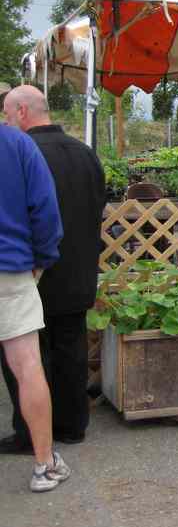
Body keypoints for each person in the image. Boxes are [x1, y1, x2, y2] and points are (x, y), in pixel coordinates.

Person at [1, 85, 106, 453]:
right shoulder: (86, 154)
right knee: (71, 348)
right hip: (79, 272)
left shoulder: (21, 153)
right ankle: (74, 424)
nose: (8, 122)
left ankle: (30, 434)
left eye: (9, 115)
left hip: (36, 270)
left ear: (23, 112)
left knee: (28, 357)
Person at [0, 121, 71, 492]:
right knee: (28, 366)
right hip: (10, 268)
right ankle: (44, 466)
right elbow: (45, 208)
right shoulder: (17, 144)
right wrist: (41, 259)